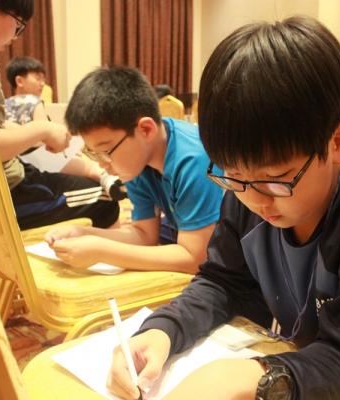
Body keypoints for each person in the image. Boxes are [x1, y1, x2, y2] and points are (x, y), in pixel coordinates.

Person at [106, 16, 340, 400]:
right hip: (329, 336)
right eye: (233, 175)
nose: (256, 200)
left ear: (339, 141)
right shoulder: (247, 188)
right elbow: (222, 281)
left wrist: (251, 377)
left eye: (276, 178)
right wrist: (164, 329)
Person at [0, 0, 120, 230]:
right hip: (1, 193)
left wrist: (32, 134)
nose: (15, 37)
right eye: (17, 25)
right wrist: (42, 129)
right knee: (105, 200)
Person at [43, 66, 224, 273]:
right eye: (94, 153)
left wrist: (102, 251)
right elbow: (144, 234)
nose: (102, 164)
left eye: (106, 151)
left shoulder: (193, 159)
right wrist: (85, 234)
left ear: (145, 129)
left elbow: (195, 258)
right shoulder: (137, 159)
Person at [5, 56, 126, 200]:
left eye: (43, 79)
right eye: (37, 78)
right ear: (19, 81)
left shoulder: (3, 105)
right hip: (36, 161)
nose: (42, 84)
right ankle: (107, 179)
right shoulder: (33, 101)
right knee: (84, 161)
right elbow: (45, 138)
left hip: (13, 162)